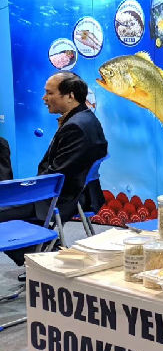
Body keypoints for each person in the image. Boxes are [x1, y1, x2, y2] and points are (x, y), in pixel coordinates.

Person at [1, 72, 107, 268]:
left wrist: (21, 192)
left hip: (62, 198)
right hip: (72, 192)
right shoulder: (85, 118)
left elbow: (57, 176)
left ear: (70, 95)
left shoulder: (76, 127)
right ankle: (41, 255)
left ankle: (45, 257)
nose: (44, 98)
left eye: (50, 93)